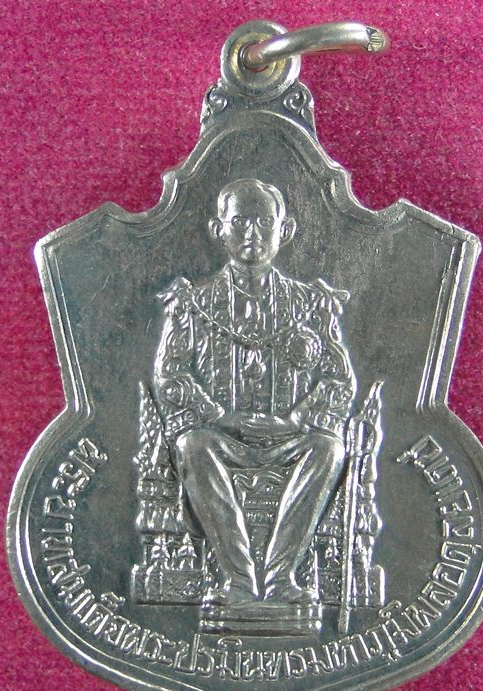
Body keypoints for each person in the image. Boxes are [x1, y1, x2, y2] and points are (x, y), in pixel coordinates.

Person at [153, 177, 356, 611]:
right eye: (240, 222)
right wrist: (218, 417)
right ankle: (240, 582)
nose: (252, 233)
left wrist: (297, 420)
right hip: (222, 436)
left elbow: (340, 381)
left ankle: (281, 579)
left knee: (329, 448)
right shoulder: (193, 304)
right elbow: (170, 377)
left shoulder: (311, 304)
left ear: (285, 230)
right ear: (218, 230)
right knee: (191, 445)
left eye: (264, 222)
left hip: (291, 437)